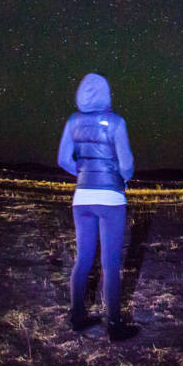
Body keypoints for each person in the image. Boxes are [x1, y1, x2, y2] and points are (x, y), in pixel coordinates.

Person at [57, 73, 138, 341]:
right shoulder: (116, 122)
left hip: (82, 199)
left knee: (83, 260)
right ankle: (114, 325)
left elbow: (62, 159)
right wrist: (120, 177)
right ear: (106, 93)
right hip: (111, 199)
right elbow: (126, 165)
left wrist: (82, 171)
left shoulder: (72, 121)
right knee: (110, 263)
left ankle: (77, 317)